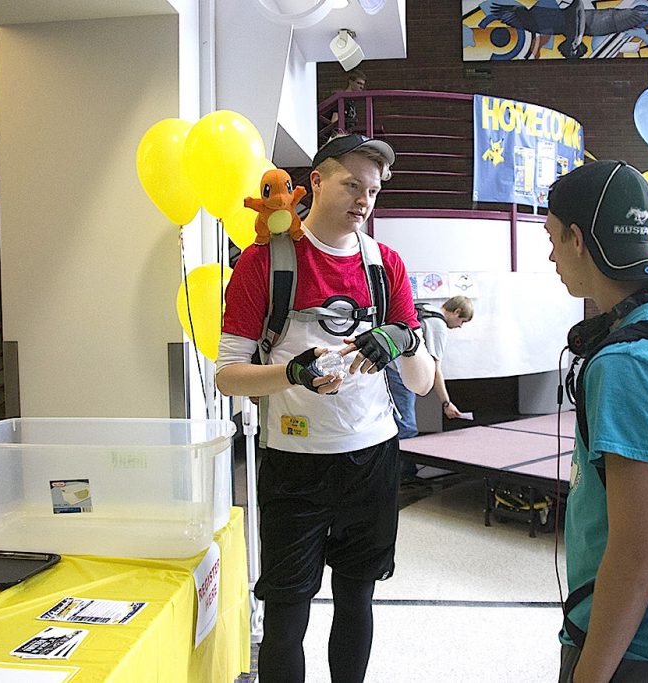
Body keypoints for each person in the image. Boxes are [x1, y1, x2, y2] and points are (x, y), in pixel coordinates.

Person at [215, 134, 434, 683]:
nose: (364, 200)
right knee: (287, 613)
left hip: (373, 459)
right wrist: (292, 372)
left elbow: (424, 381)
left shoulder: (385, 266)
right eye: (352, 184)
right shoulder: (264, 265)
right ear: (316, 181)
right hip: (294, 462)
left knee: (357, 601)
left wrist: (402, 342)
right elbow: (226, 377)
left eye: (374, 191)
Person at [545, 160, 648, 682]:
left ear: (577, 238)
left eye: (551, 237)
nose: (550, 254)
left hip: (635, 647)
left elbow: (638, 551)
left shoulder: (625, 364)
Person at [387, 295, 474, 440]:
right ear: (457, 312)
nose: (460, 326)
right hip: (400, 372)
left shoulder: (425, 308)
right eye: (462, 321)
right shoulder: (438, 325)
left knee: (394, 419)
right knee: (407, 426)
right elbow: (435, 370)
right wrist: (446, 403)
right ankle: (405, 461)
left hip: (388, 365)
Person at [326, 69, 367, 134]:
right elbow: (334, 120)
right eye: (359, 83)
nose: (361, 87)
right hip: (341, 135)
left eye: (363, 84)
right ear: (350, 82)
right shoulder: (341, 99)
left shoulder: (352, 101)